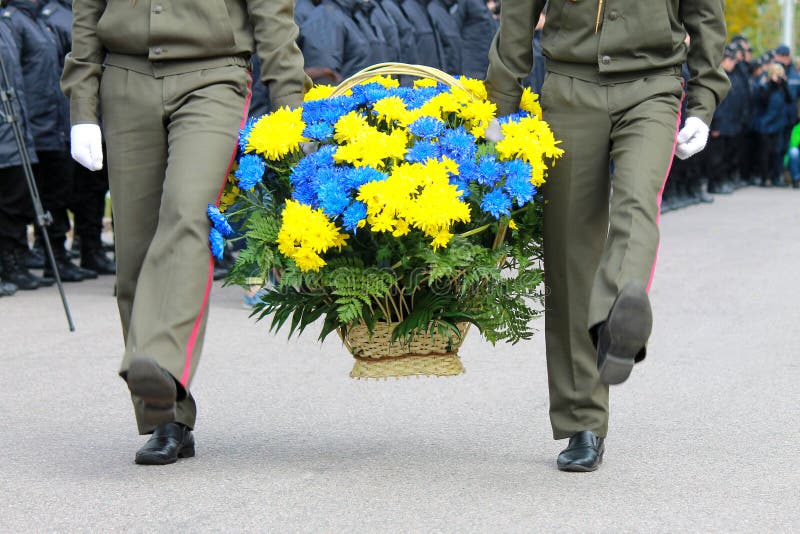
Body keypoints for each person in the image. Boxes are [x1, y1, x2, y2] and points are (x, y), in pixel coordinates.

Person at [61, 0, 310, 465]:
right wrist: (82, 102)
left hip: (213, 74)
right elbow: (87, 11)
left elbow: (271, 12)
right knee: (134, 251)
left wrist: (290, 106)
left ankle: (157, 360)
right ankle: (165, 416)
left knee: (188, 215)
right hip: (124, 76)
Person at [485, 0, 729, 472]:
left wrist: (703, 101)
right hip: (569, 86)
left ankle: (616, 322)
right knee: (569, 251)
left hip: (653, 84)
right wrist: (500, 103)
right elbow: (519, 12)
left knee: (637, 203)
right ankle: (583, 421)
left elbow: (705, 13)